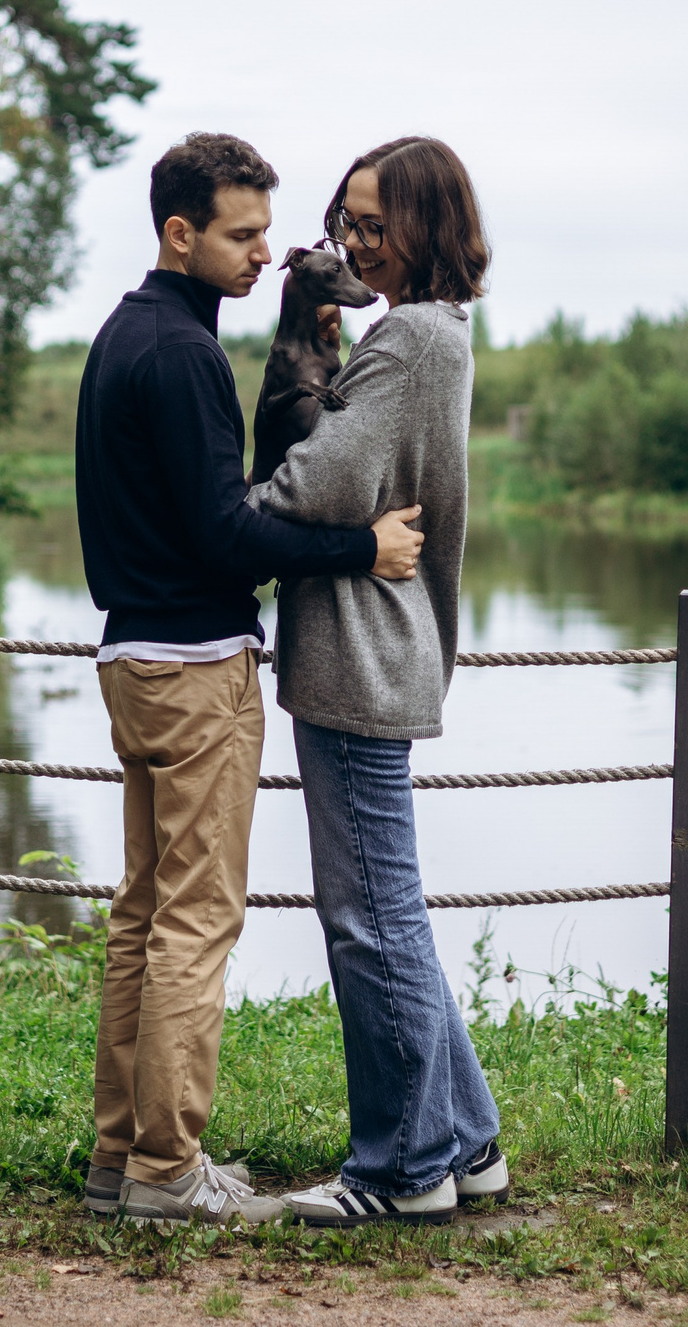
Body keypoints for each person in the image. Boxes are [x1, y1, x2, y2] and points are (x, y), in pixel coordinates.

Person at [74, 131, 429, 1226]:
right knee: (195, 921)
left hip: (133, 657)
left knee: (143, 914)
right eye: (242, 234)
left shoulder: (123, 335)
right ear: (180, 233)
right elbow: (226, 533)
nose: (265, 253)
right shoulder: (183, 356)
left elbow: (194, 513)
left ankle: (121, 1158)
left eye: (268, 231)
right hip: (194, 670)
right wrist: (361, 548)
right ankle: (169, 1171)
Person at [247, 136, 507, 1227]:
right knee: (391, 911)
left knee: (368, 919)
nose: (352, 242)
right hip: (382, 647)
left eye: (373, 224)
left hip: (359, 651)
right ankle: (467, 1142)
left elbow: (317, 484)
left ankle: (403, 1170)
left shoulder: (403, 338)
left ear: (424, 225)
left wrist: (239, 510)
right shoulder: (439, 330)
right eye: (344, 222)